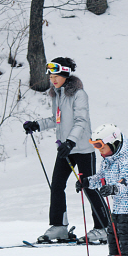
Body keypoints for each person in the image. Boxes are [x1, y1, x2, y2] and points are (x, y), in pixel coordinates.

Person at [23, 57, 110, 243]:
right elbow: (57, 120)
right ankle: (59, 227)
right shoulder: (57, 94)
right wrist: (37, 125)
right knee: (57, 185)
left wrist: (70, 142)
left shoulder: (79, 94)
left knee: (89, 187)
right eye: (51, 77)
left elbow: (81, 121)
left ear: (65, 74)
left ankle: (104, 228)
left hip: (83, 149)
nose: (53, 80)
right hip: (65, 150)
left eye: (56, 76)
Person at [75, 124, 128, 256]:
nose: (99, 150)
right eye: (96, 147)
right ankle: (116, 255)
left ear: (114, 144)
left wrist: (114, 188)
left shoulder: (127, 162)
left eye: (101, 146)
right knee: (112, 227)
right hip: (119, 202)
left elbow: (126, 181)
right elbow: (101, 178)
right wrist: (86, 182)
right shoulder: (108, 161)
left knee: (123, 227)